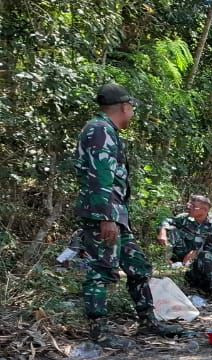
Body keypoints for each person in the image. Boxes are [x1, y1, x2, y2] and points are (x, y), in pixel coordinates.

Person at [74, 83, 184, 345]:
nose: (132, 113)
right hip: (105, 215)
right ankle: (99, 331)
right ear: (124, 107)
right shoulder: (100, 131)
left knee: (138, 267)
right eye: (132, 108)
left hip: (116, 214)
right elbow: (100, 177)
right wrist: (106, 218)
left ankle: (148, 321)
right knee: (102, 271)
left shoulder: (105, 130)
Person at [159, 195, 212, 298]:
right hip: (181, 257)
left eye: (193, 206)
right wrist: (162, 232)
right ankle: (167, 263)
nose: (189, 207)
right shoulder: (184, 218)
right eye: (190, 204)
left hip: (200, 262)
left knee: (207, 256)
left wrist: (196, 253)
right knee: (171, 230)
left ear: (204, 210)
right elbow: (167, 221)